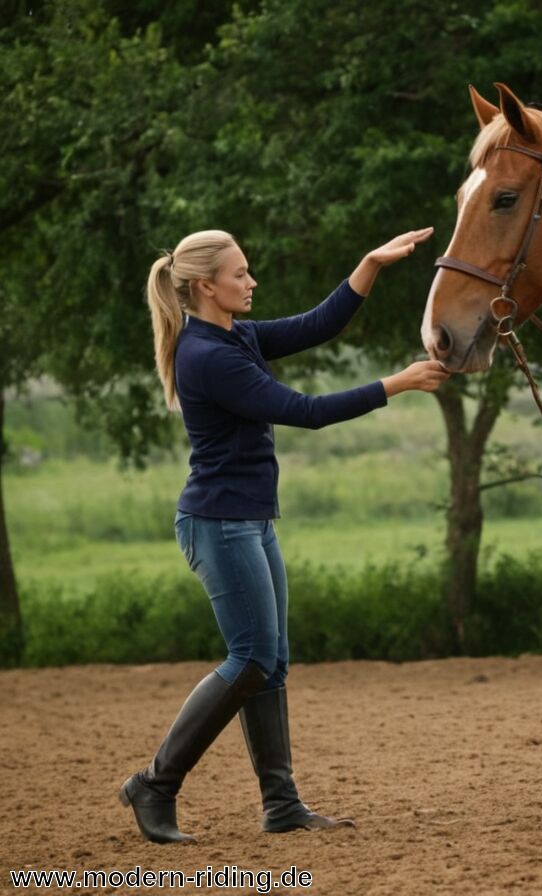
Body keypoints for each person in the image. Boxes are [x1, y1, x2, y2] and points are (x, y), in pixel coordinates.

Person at [122, 227, 449, 844]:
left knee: (269, 664)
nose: (252, 282)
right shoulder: (207, 356)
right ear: (205, 287)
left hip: (249, 522)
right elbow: (305, 410)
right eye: (240, 274)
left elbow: (317, 324)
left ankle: (282, 805)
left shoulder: (235, 335)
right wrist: (395, 385)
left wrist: (369, 264)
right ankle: (155, 784)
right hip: (219, 525)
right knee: (249, 659)